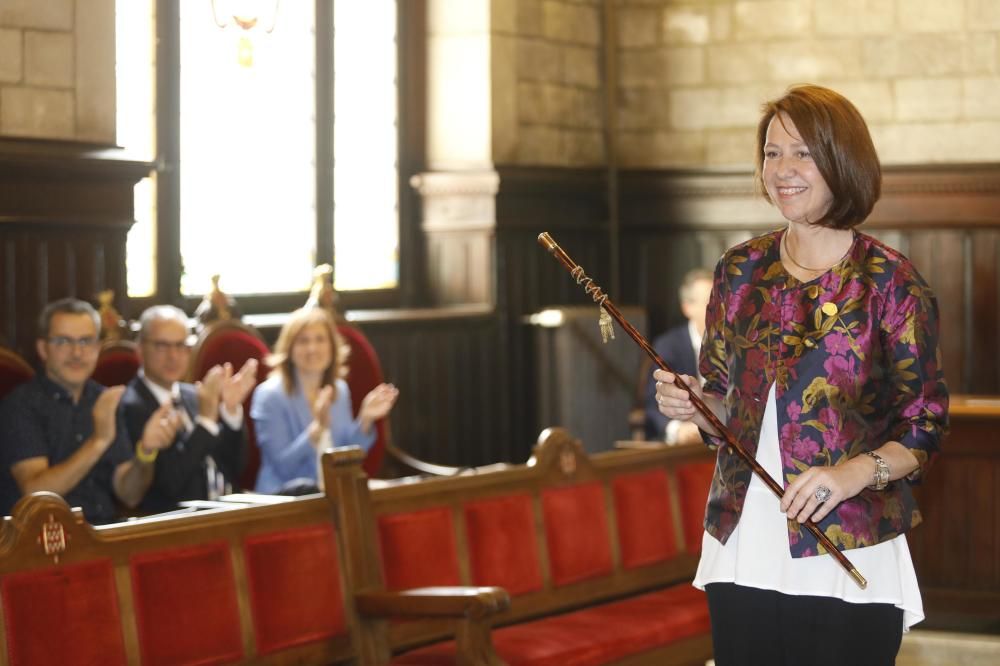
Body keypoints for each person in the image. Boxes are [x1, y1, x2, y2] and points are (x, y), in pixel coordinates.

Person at [653, 84, 948, 665]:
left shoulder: (889, 281)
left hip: (850, 539)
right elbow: (722, 407)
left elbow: (926, 422)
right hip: (744, 538)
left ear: (843, 162)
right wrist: (694, 401)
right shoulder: (738, 270)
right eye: (771, 153)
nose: (782, 169)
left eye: (803, 153)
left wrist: (852, 474)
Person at [0, 298, 175, 523]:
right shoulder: (20, 406)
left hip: (103, 535)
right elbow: (35, 493)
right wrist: (98, 441)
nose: (77, 353)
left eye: (86, 341)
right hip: (43, 542)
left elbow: (129, 494)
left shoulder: (103, 400)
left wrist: (146, 453)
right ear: (43, 349)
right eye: (64, 341)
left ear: (97, 348)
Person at [120, 305, 257, 513]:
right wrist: (206, 421)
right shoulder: (132, 405)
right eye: (162, 346)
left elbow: (234, 468)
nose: (173, 356)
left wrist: (230, 412)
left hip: (230, 509)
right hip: (183, 523)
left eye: (181, 346)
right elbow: (168, 487)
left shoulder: (193, 395)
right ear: (140, 349)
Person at [250, 307, 398, 494]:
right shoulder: (269, 395)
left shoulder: (339, 389)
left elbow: (346, 455)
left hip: (332, 495)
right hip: (284, 500)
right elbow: (283, 467)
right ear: (289, 348)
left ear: (332, 347)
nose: (312, 349)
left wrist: (365, 419)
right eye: (303, 341)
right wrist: (316, 430)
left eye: (320, 339)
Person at [643, 268, 713, 443]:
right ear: (687, 308)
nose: (719, 310)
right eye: (709, 303)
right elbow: (653, 404)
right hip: (683, 446)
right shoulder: (669, 346)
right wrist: (678, 430)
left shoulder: (736, 345)